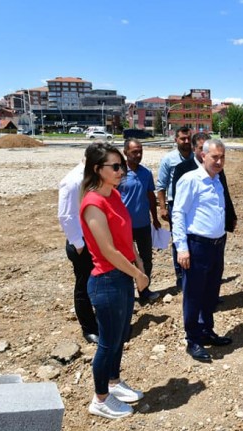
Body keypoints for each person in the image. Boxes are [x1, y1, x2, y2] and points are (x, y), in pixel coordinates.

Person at [80, 143, 149, 419]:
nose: (122, 171)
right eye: (116, 166)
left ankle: (113, 382)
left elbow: (126, 234)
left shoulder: (114, 196)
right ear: (98, 170)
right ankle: (100, 399)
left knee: (120, 336)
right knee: (107, 342)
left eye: (121, 166)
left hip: (122, 276)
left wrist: (138, 260)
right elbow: (108, 250)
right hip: (107, 280)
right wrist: (138, 274)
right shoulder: (93, 203)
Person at [172, 138, 232, 362]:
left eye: (222, 157)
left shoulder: (217, 180)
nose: (219, 161)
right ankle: (193, 340)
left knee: (211, 293)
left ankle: (207, 330)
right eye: (215, 157)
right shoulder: (191, 180)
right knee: (194, 295)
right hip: (197, 246)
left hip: (217, 246)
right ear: (203, 156)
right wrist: (182, 247)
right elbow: (178, 213)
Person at [57, 145, 99, 344]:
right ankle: (88, 328)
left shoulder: (91, 178)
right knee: (83, 286)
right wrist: (79, 244)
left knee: (96, 284)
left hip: (94, 240)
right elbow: (65, 215)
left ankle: (98, 321)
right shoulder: (73, 181)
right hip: (82, 244)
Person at [118, 138, 161, 306]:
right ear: (125, 153)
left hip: (143, 224)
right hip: (124, 227)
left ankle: (144, 291)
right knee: (126, 261)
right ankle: (127, 295)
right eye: (134, 151)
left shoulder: (146, 173)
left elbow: (151, 197)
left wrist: (155, 218)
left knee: (146, 259)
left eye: (140, 151)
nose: (138, 154)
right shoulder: (119, 174)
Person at [172, 132, 237, 233]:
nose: (205, 151)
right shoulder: (183, 169)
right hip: (194, 229)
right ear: (194, 148)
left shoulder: (217, 168)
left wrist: (231, 215)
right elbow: (178, 202)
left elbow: (224, 192)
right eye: (201, 148)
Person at [156, 126, 193, 288]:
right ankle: (180, 274)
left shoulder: (197, 158)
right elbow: (161, 186)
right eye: (182, 138)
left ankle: (192, 272)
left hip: (193, 206)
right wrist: (163, 208)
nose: (186, 141)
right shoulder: (169, 159)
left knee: (193, 238)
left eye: (188, 138)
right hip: (175, 205)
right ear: (176, 140)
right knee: (178, 238)